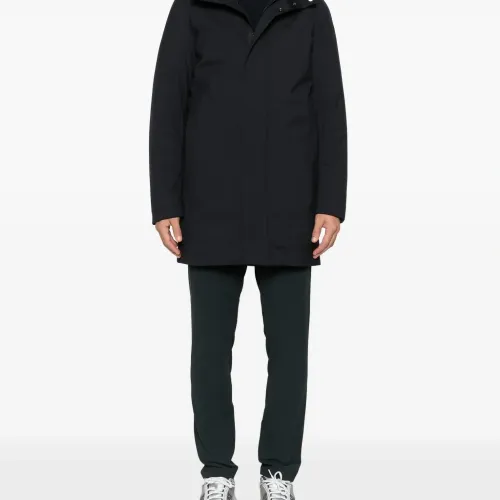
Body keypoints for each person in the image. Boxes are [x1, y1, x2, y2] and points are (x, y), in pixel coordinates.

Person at [149, 0, 347, 495]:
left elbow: (329, 107)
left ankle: (278, 472)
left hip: (291, 207)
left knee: (289, 353)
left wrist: (331, 202)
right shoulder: (193, 7)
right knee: (210, 352)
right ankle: (217, 470)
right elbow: (168, 103)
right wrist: (165, 202)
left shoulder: (309, 10)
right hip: (209, 205)